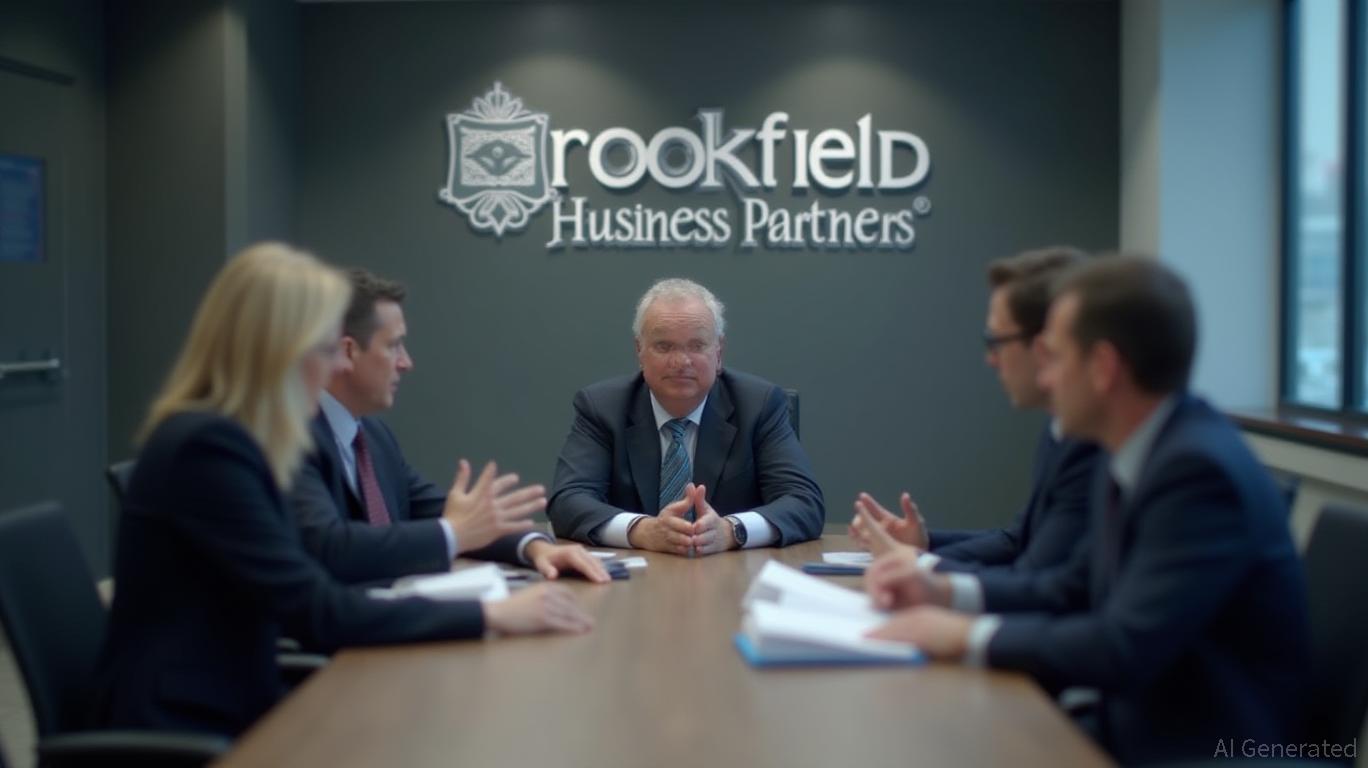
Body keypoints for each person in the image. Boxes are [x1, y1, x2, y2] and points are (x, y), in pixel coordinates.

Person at [91, 243, 592, 738]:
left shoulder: (230, 436)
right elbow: (314, 607)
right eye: (328, 350)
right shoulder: (210, 449)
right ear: (281, 350)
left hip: (240, 696)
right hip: (192, 721)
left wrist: (523, 549)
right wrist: (492, 613)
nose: (337, 368)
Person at [862, 256, 1310, 764]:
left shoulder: (1197, 472)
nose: (1046, 377)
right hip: (1128, 723)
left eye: (1054, 357)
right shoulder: (1142, 450)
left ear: (1102, 367)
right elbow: (1071, 585)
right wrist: (942, 590)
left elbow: (1123, 646)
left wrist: (964, 633)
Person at [291, 268, 608, 585]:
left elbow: (443, 514)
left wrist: (534, 547)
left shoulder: (373, 437)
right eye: (393, 346)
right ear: (348, 351)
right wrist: (453, 534)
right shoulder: (288, 438)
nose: (406, 362)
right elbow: (330, 547)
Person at [850, 246, 1100, 575]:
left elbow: (1041, 579)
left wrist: (921, 566)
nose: (991, 359)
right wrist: (923, 546)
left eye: (997, 341)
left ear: (1046, 343)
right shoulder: (1061, 428)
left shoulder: (1094, 442)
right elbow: (1020, 541)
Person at [548, 278, 823, 555]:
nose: (681, 362)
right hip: (637, 573)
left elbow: (804, 503)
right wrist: (642, 530)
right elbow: (568, 501)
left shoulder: (758, 405)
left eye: (697, 345)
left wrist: (731, 531)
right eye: (664, 346)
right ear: (639, 351)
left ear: (718, 352)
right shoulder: (602, 407)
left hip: (732, 573)